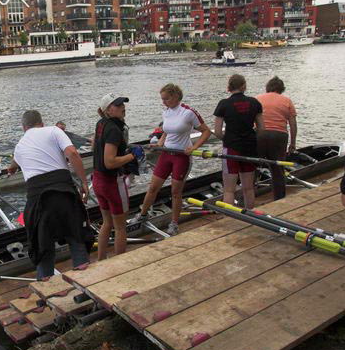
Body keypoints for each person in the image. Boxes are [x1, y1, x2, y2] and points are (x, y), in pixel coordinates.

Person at [8, 110, 91, 279]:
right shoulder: (54, 130)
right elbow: (73, 153)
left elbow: (13, 164)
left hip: (37, 200)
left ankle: (45, 297)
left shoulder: (20, 146)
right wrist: (83, 182)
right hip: (63, 192)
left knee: (42, 247)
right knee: (76, 238)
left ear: (24, 128)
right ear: (42, 122)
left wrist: (11, 168)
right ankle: (85, 286)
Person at [136, 84, 211, 236]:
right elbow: (166, 131)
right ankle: (142, 215)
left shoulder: (189, 112)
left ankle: (174, 223)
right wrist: (159, 143)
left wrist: (194, 147)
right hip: (166, 154)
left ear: (176, 96)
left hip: (182, 156)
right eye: (162, 99)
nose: (164, 102)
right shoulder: (166, 112)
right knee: (153, 188)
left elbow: (206, 131)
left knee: (175, 192)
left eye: (167, 99)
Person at [93, 93, 144, 260]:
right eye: (118, 105)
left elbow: (96, 146)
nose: (123, 107)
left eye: (123, 104)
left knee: (107, 223)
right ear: (108, 110)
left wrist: (125, 150)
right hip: (112, 183)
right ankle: (118, 264)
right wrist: (132, 156)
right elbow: (110, 162)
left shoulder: (100, 124)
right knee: (120, 227)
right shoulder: (115, 130)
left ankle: (101, 260)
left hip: (97, 181)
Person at [214, 74, 265, 209]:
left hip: (231, 148)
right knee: (248, 188)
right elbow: (261, 128)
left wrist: (227, 139)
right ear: (244, 86)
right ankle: (250, 213)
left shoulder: (223, 104)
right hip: (249, 147)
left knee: (229, 189)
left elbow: (218, 131)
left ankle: (229, 219)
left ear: (229, 87)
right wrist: (251, 137)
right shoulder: (255, 102)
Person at [256, 76, 298, 200]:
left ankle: (247, 197)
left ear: (268, 87)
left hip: (260, 134)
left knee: (252, 166)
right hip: (279, 136)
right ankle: (279, 199)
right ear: (282, 89)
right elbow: (293, 124)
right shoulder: (287, 101)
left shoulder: (257, 99)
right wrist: (293, 143)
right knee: (278, 169)